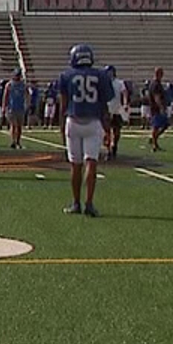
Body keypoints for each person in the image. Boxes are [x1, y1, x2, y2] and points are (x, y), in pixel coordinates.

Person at [56, 43, 111, 217]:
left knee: (75, 164)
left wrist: (60, 125)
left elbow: (63, 104)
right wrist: (107, 128)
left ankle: (76, 203)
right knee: (91, 163)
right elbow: (104, 104)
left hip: (73, 120)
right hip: (94, 121)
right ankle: (89, 203)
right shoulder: (101, 75)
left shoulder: (66, 76)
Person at [1, 69, 29, 148]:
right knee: (13, 125)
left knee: (19, 126)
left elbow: (27, 93)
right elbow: (5, 96)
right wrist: (4, 106)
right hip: (11, 107)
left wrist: (28, 104)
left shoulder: (23, 84)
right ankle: (13, 141)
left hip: (20, 107)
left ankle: (18, 141)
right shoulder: (9, 84)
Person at [144, 68, 171, 152]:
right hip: (156, 108)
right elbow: (157, 97)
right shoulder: (156, 84)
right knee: (156, 127)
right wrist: (161, 107)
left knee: (165, 125)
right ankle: (154, 145)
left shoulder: (156, 83)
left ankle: (154, 140)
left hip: (156, 108)